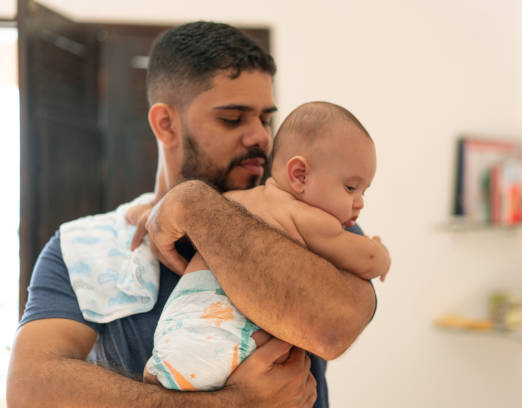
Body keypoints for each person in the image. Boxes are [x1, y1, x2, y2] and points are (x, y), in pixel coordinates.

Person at [7, 21, 377, 408]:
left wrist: (195, 205)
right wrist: (232, 404)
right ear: (166, 124)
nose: (261, 137)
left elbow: (334, 329)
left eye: (265, 118)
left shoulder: (311, 221)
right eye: (232, 119)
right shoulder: (82, 248)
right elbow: (29, 391)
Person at [137, 101, 390, 391]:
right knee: (282, 344)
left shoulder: (227, 203)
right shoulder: (314, 221)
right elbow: (366, 258)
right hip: (228, 338)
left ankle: (159, 372)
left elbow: (168, 222)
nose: (359, 203)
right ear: (300, 175)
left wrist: (145, 211)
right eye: (350, 188)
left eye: (363, 191)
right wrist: (381, 253)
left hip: (176, 327)